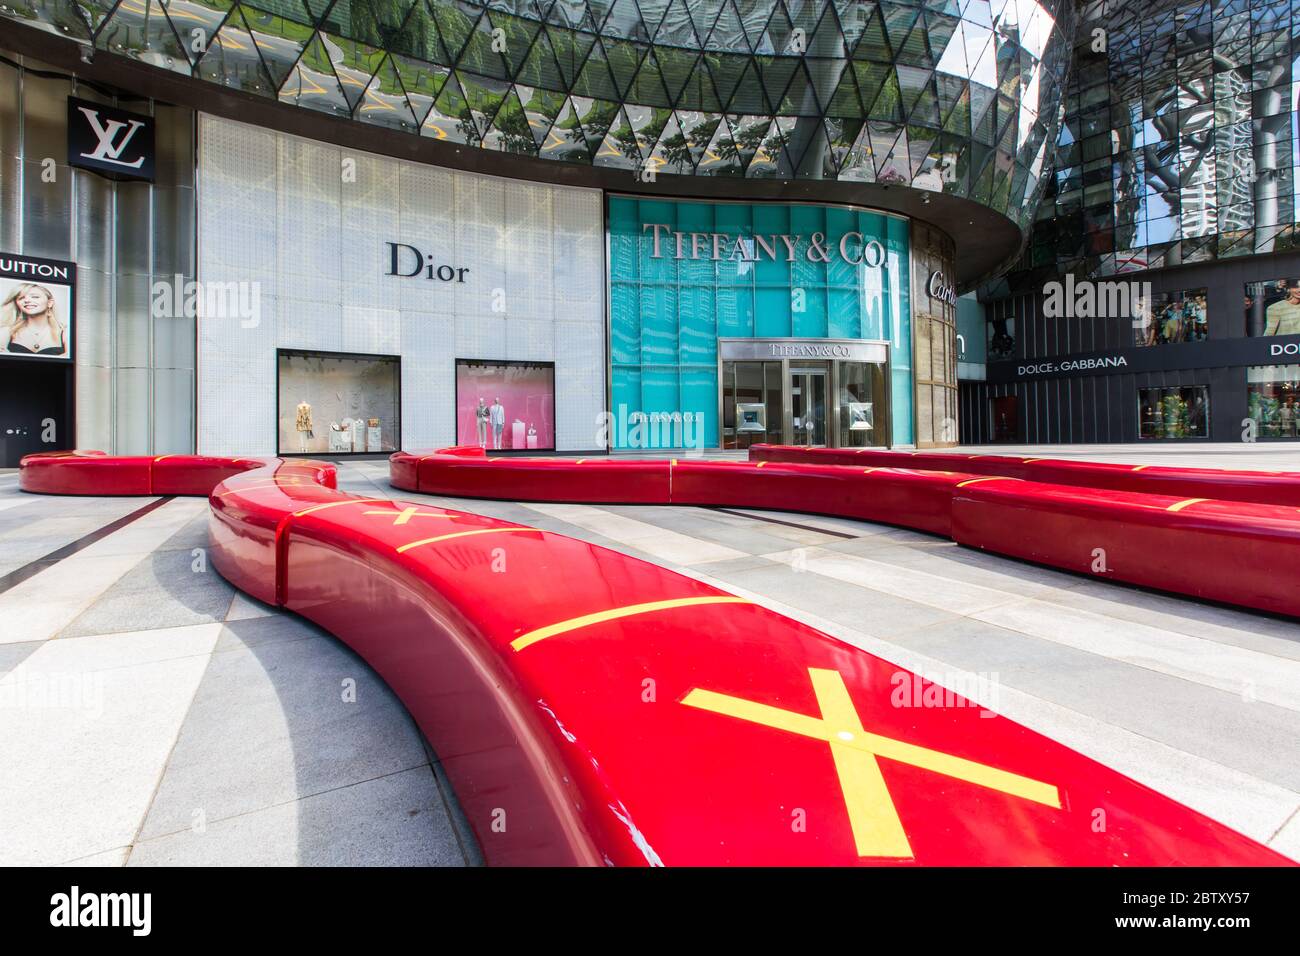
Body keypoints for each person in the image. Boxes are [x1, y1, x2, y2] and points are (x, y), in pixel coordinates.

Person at [0, 283, 66, 356]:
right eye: (21, 298)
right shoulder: (7, 331)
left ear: (49, 303)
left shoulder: (64, 332)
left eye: (35, 297)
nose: (27, 300)